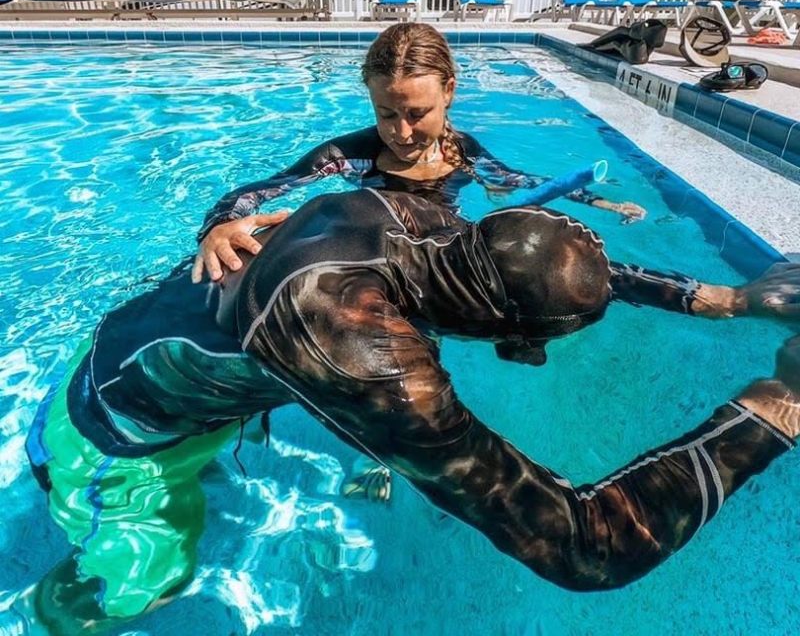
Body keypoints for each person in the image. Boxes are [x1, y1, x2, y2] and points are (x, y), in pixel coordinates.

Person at [24, 189, 800, 630]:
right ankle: (41, 613)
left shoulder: (408, 217)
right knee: (150, 579)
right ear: (514, 342)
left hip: (154, 351)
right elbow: (586, 547)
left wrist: (723, 299)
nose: (533, 359)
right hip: (112, 437)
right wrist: (776, 407)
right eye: (533, 345)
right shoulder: (352, 344)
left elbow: (548, 260)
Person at [193, 22, 646, 283]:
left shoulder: (464, 153)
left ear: (448, 92)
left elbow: (522, 182)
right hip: (372, 261)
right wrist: (219, 227)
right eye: (386, 113)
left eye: (417, 113)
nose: (401, 132)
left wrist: (603, 203)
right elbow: (257, 193)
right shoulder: (346, 154)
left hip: (447, 257)